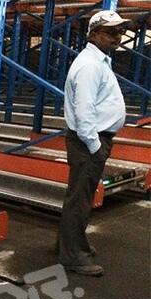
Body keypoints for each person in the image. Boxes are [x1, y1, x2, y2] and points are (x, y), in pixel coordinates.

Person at [58, 10, 130, 277]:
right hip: (88, 142)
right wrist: (95, 146)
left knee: (79, 197)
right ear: (94, 34)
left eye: (119, 31)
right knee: (79, 200)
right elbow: (84, 111)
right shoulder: (90, 65)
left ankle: (71, 245)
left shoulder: (98, 61)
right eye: (110, 32)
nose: (117, 36)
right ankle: (73, 257)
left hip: (91, 141)